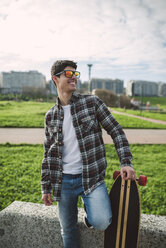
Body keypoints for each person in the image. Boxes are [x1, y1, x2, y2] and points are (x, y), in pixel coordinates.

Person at [41, 60, 136, 248]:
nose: (74, 78)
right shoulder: (50, 115)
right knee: (67, 229)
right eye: (68, 74)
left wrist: (126, 162)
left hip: (91, 178)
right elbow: (48, 153)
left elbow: (116, 130)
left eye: (75, 74)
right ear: (55, 78)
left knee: (101, 221)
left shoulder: (91, 102)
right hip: (63, 181)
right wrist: (45, 186)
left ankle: (89, 213)